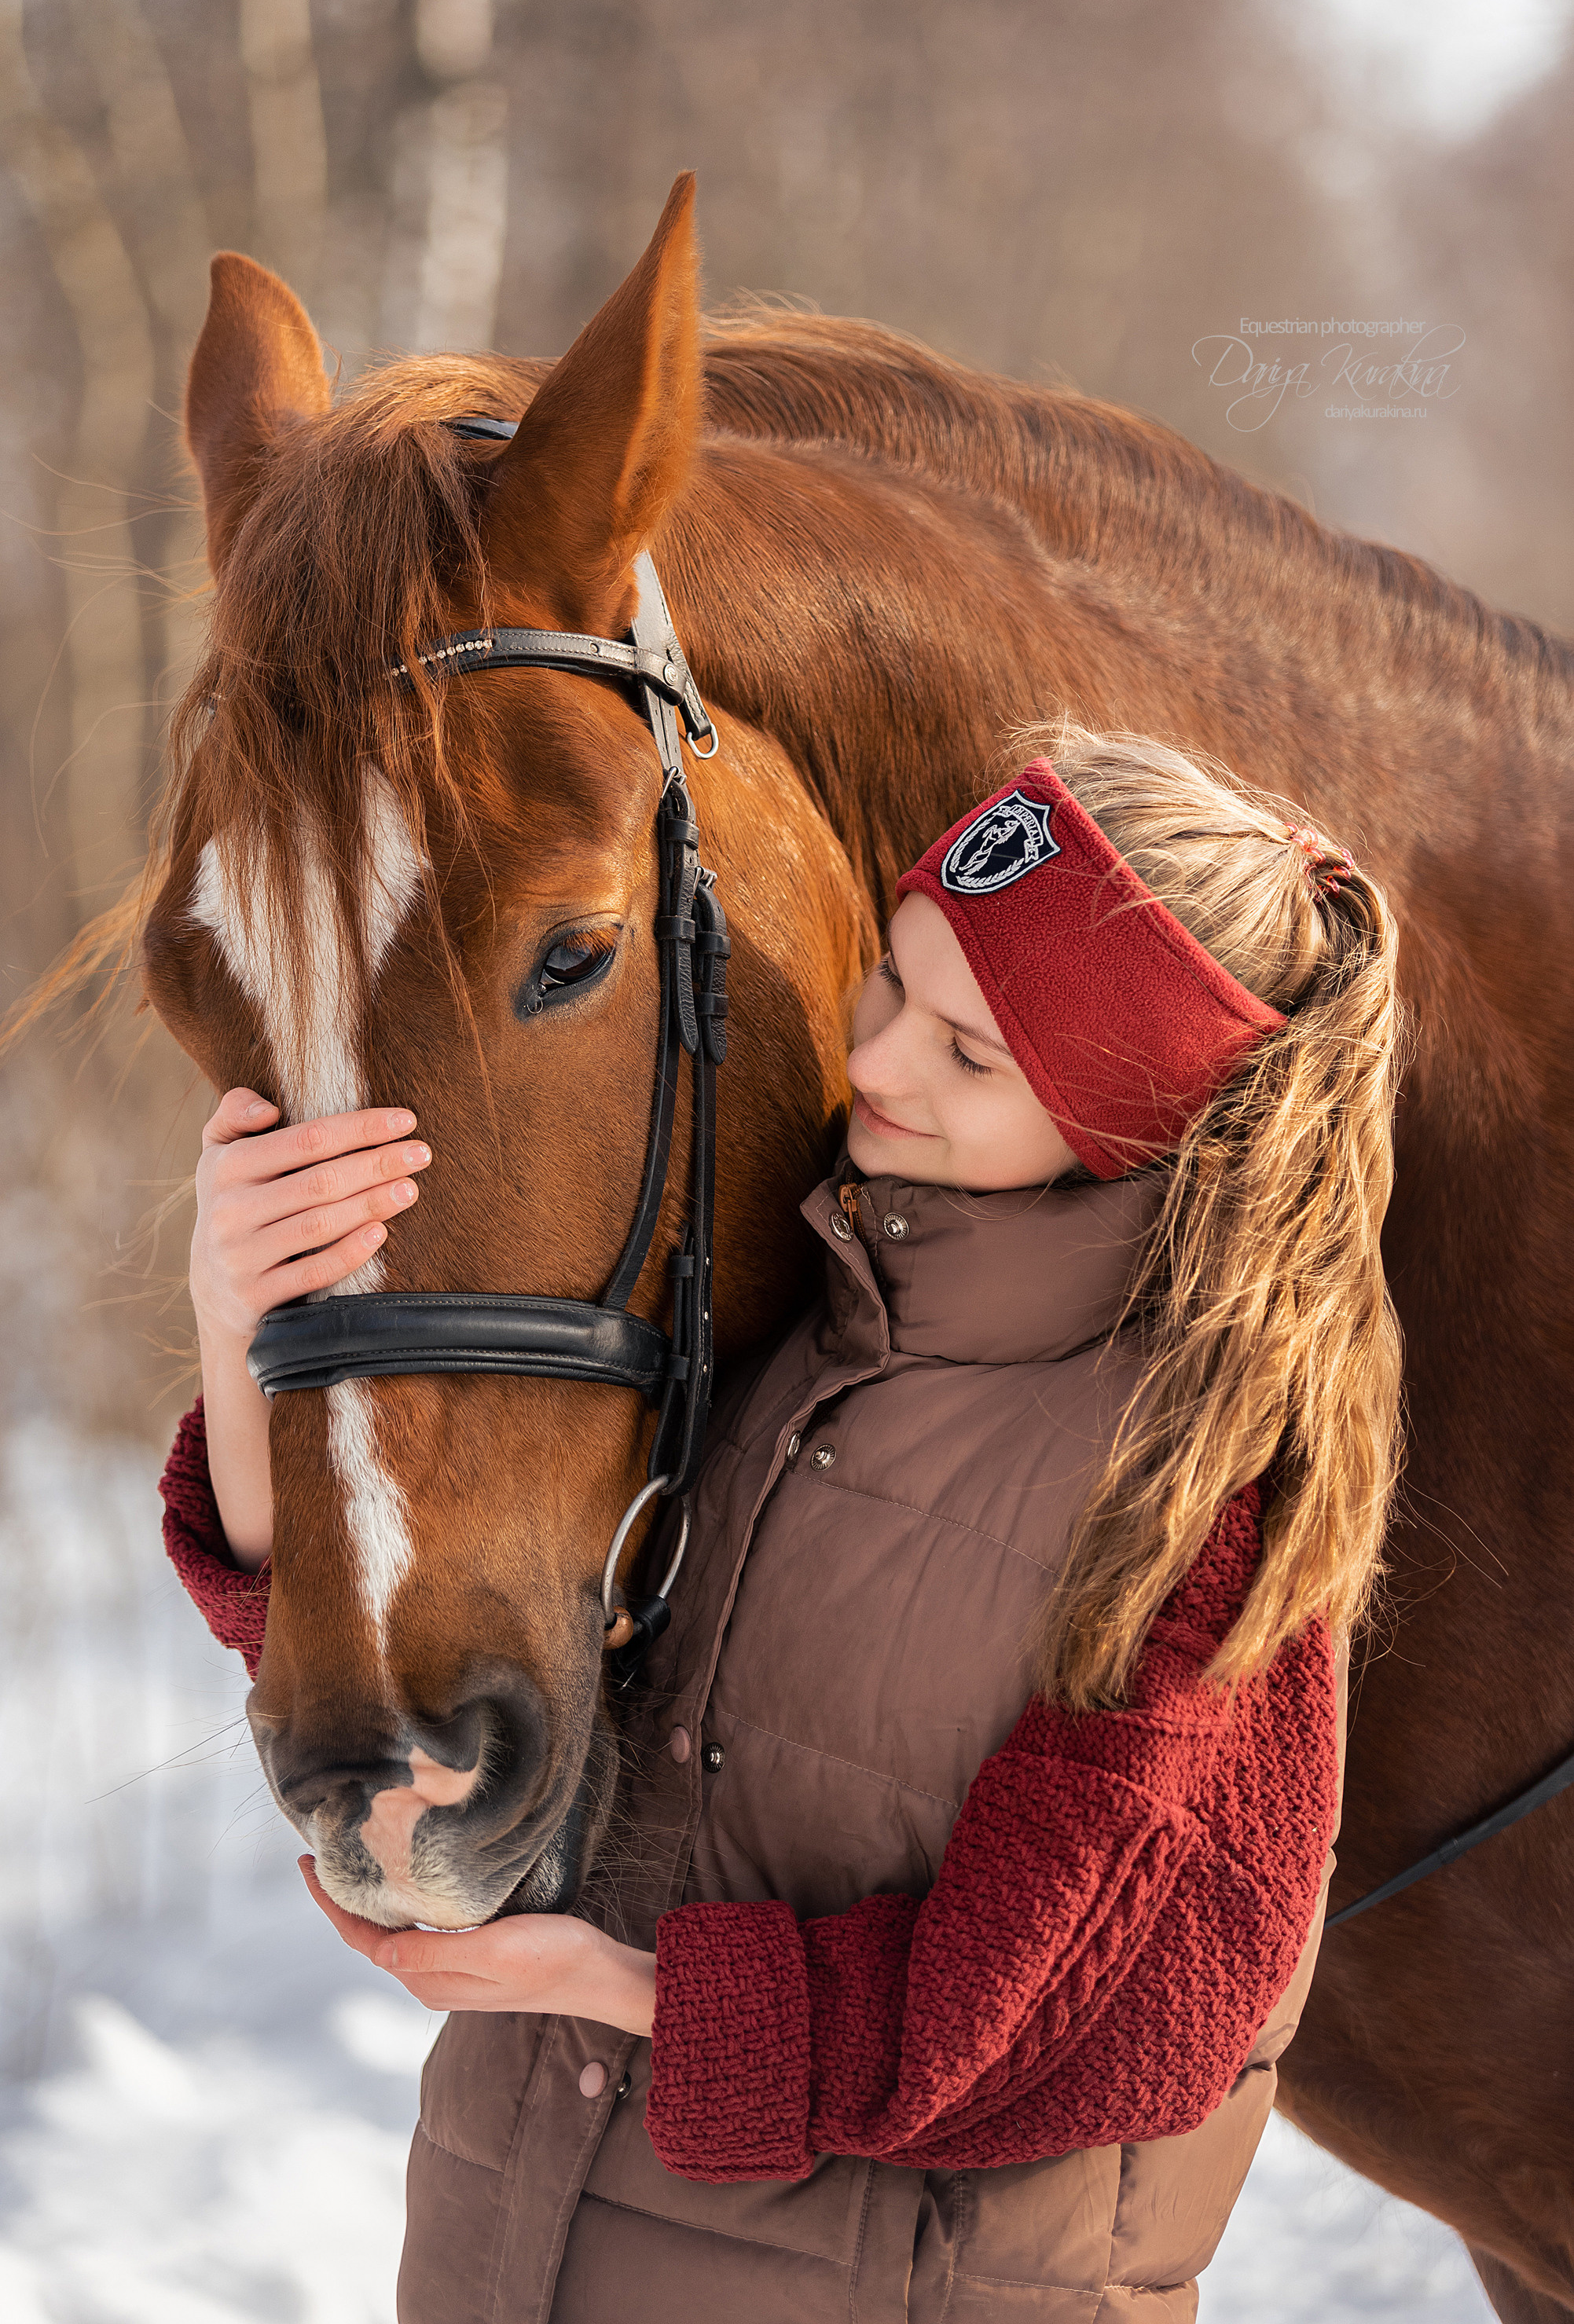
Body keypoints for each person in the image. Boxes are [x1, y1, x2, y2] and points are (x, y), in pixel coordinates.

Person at [161, 721, 1403, 2321]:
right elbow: (430, 1649)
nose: (873, 1063)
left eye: (972, 1054)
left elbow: (1107, 2022)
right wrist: (238, 1315)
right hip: (520, 2248)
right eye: (893, 985)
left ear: (1135, 1126)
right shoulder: (789, 1331)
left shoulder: (1199, 1489)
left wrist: (619, 1991)